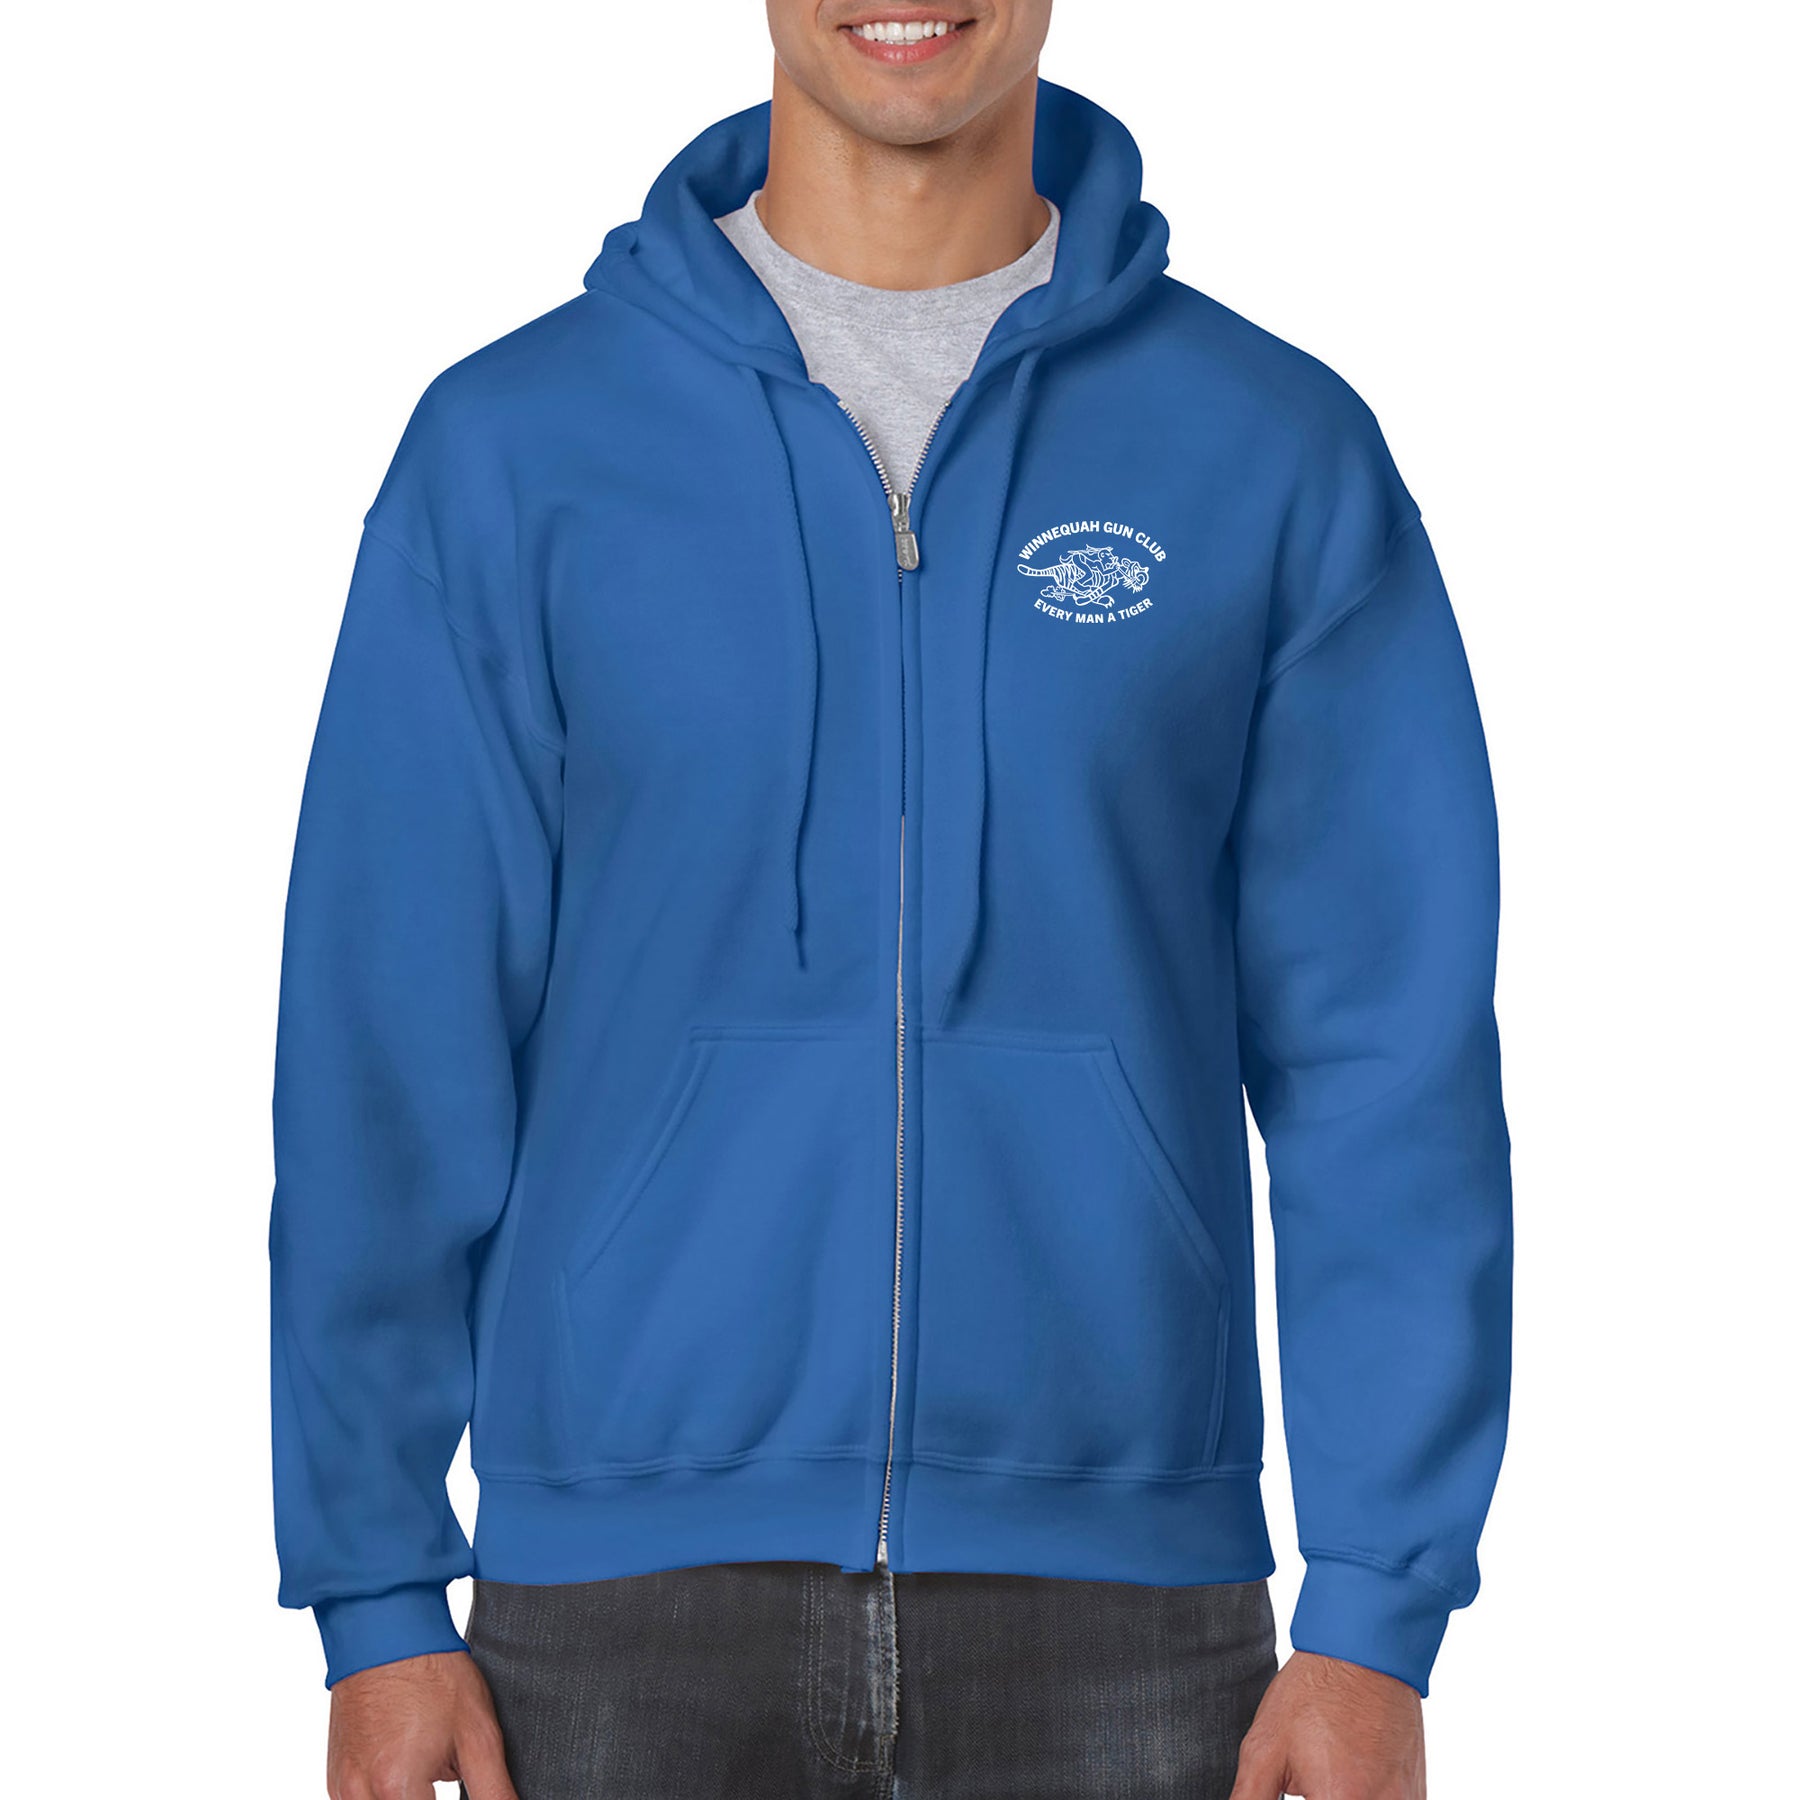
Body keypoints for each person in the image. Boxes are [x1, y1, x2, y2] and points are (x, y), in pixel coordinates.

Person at [268, 3, 1512, 1796]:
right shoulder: (515, 448)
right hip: (615, 1607)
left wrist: (1378, 1613)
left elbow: (1386, 1059)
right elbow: (386, 1036)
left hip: (1128, 1610)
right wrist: (376, 1588)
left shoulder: (1269, 448)